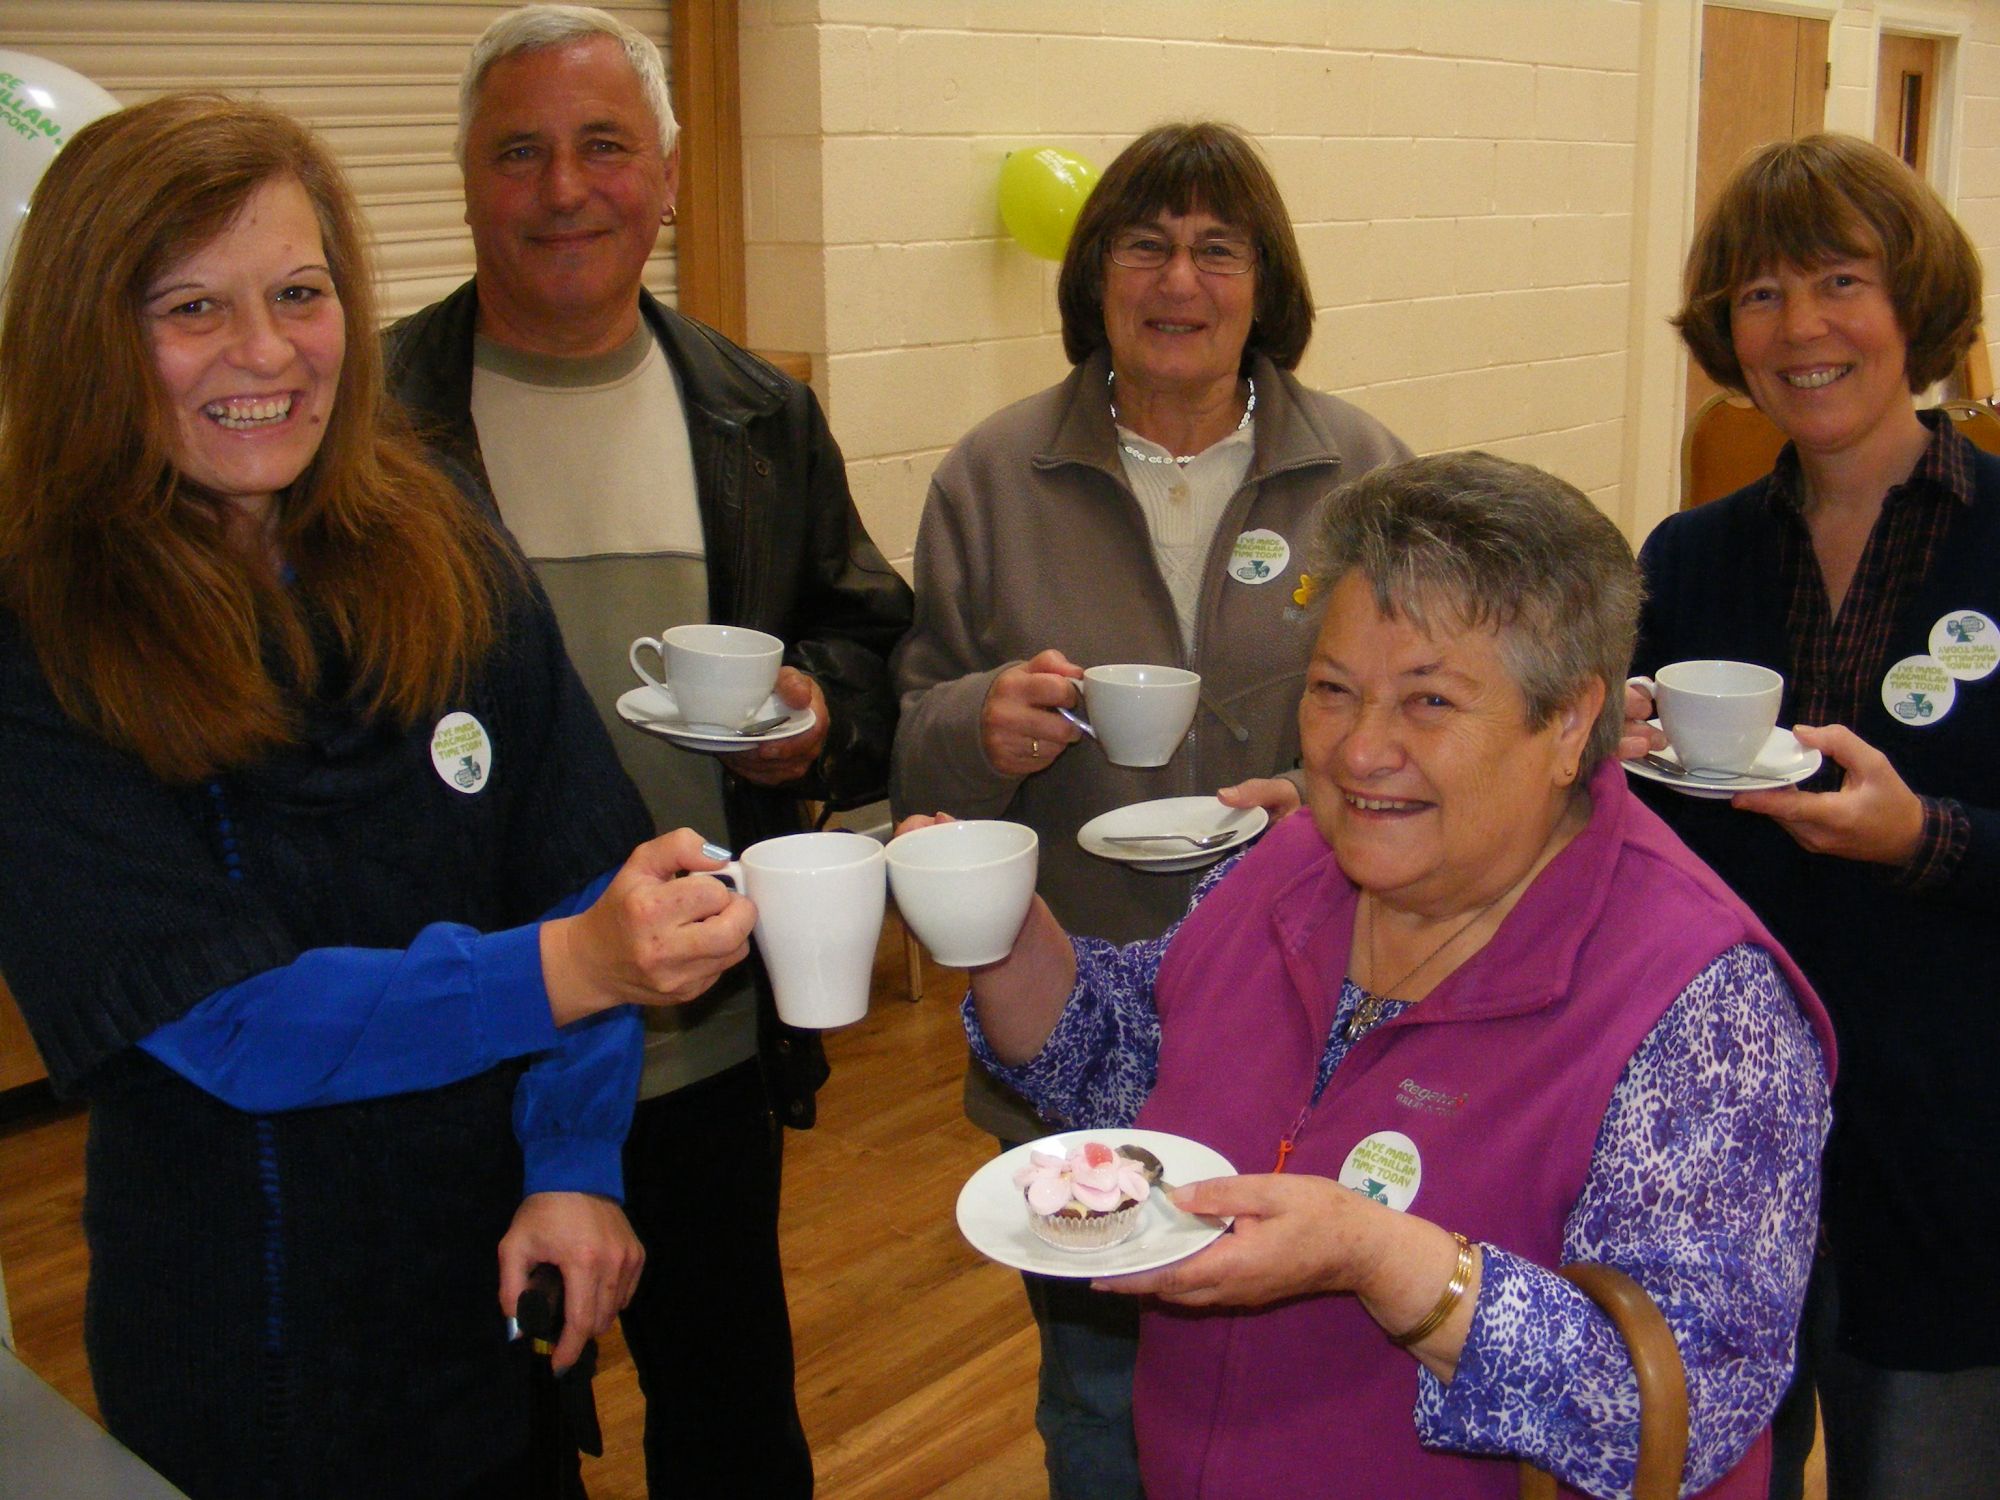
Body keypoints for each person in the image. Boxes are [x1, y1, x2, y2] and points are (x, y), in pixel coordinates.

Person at [0, 93, 760, 1499]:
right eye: (192, 308)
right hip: (258, 1343)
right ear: (88, 336)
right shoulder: (43, 638)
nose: (266, 352)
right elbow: (231, 1021)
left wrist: (576, 1159)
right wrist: (570, 967)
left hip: (492, 1294)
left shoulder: (436, 540)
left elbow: (581, 864)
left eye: (300, 293)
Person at [910, 452, 1834, 1499]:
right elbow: (1131, 1072)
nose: (1358, 751)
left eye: (1428, 702)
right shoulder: (1295, 866)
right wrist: (1003, 934)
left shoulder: (1698, 1003)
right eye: (1332, 691)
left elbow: (1677, 1405)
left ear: (1568, 722)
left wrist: (1382, 1261)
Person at [384, 8, 912, 1495]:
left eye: (605, 145)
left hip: (703, 1041)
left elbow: (870, 634)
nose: (565, 188)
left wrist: (813, 717)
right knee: (483, 1441)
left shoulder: (755, 414)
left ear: (670, 176)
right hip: (461, 1039)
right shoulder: (366, 422)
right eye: (521, 152)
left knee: (733, 1424)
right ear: (470, 185)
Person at [889, 119, 1408, 1495]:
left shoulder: (1362, 471)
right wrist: (976, 725)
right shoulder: (992, 477)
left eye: (1217, 250)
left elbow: (1426, 716)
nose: (1180, 281)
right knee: (1103, 1396)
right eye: (1146, 245)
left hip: (1321, 1002)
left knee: (1319, 1380)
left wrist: (1325, 794)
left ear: (1266, 282)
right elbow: (911, 748)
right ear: (1096, 277)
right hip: (1075, 1021)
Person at [1631, 133, 2000, 1500]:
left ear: (1915, 301)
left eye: (1840, 280)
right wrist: (1597, 754)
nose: (1801, 329)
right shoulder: (1692, 556)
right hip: (1724, 1155)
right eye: (1760, 296)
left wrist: (1930, 839)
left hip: (1953, 1155)